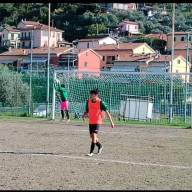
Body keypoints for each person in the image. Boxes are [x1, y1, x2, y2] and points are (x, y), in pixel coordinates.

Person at [82, 88, 114, 157]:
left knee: (93, 136)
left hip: (98, 121)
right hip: (91, 121)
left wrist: (111, 122)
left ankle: (91, 152)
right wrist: (84, 115)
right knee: (92, 137)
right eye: (91, 94)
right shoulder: (88, 101)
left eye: (93, 95)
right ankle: (100, 146)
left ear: (96, 95)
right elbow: (87, 111)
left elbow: (107, 112)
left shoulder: (100, 102)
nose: (91, 96)